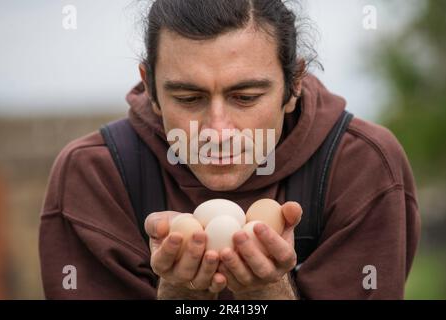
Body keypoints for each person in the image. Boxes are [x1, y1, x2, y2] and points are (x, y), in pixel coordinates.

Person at [39, 0, 420, 300]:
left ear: (294, 85)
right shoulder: (94, 175)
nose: (217, 132)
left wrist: (266, 293)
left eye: (246, 97)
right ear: (151, 87)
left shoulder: (362, 165)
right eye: (188, 98)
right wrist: (178, 296)